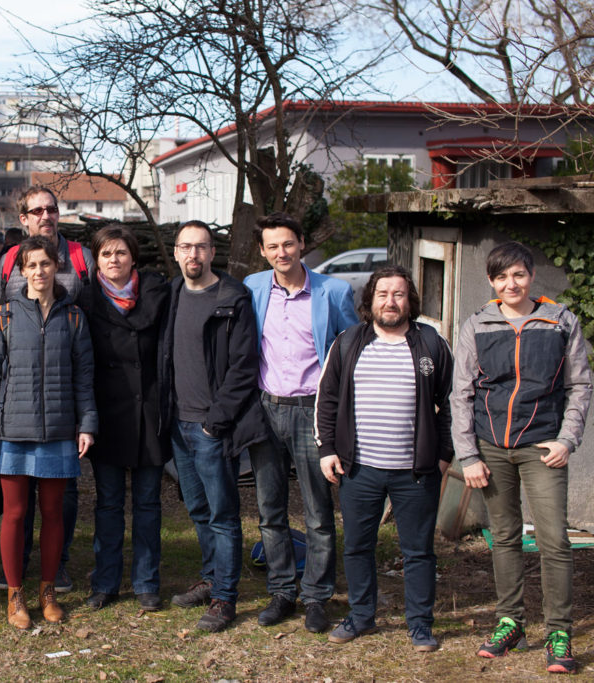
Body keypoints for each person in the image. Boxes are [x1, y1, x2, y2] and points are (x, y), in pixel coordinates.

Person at [452, 241, 592, 675]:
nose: (510, 284)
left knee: (555, 541)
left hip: (542, 447)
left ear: (531, 276)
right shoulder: (477, 324)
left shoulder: (560, 321)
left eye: (518, 274)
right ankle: (510, 622)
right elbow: (461, 393)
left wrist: (567, 439)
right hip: (491, 447)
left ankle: (558, 632)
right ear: (491, 281)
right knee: (505, 536)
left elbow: (580, 385)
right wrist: (468, 455)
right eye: (501, 277)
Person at [315, 265, 453, 652]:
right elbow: (326, 399)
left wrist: (444, 455)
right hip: (359, 468)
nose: (390, 301)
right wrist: (327, 449)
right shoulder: (348, 342)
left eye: (399, 294)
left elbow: (452, 403)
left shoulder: (431, 344)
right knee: (358, 546)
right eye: (382, 294)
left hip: (416, 472)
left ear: (410, 301)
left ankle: (420, 624)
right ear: (370, 300)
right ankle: (361, 615)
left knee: (418, 551)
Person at [242, 211, 357, 633]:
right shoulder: (253, 288)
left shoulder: (333, 292)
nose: (281, 252)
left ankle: (316, 597)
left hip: (313, 411)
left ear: (302, 243)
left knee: (318, 509)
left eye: (288, 243)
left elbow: (351, 351)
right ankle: (281, 591)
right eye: (272, 246)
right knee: (269, 508)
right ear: (262, 251)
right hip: (266, 409)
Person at [0, 236, 98, 629]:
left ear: (56, 266)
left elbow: (84, 378)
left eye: (46, 263)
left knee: (53, 513)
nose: (39, 271)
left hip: (60, 431)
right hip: (12, 430)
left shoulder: (74, 317)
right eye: (32, 265)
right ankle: (15, 594)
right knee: (14, 513)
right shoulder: (3, 316)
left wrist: (87, 424)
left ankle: (48, 591)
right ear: (21, 271)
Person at [163, 220, 265, 632]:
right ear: (176, 253)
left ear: (212, 252)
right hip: (178, 425)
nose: (194, 254)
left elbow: (244, 366)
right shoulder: (172, 293)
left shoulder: (232, 298)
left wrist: (214, 423)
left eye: (201, 247)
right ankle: (210, 579)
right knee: (199, 509)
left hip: (211, 428)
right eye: (186, 247)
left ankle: (225, 597)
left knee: (223, 515)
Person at [81, 225, 170, 612]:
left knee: (148, 503)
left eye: (120, 252)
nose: (113, 260)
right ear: (96, 260)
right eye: (106, 254)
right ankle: (106, 582)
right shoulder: (86, 300)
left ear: (133, 257)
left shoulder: (157, 293)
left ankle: (147, 581)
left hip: (149, 411)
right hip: (107, 414)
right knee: (109, 504)